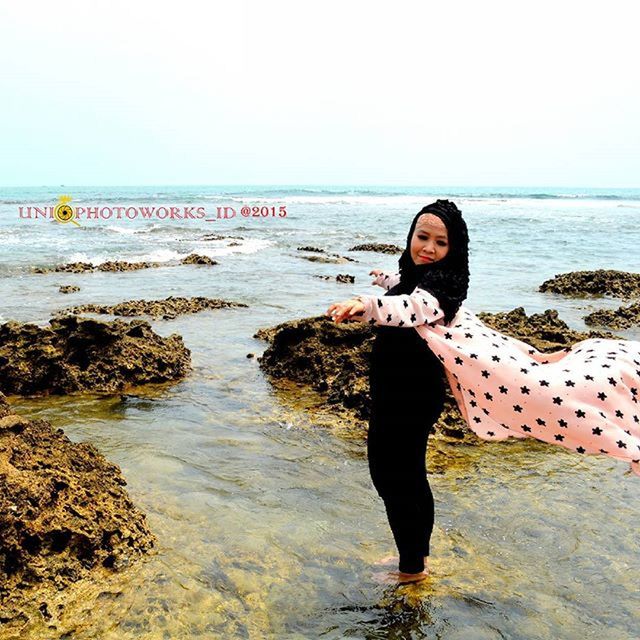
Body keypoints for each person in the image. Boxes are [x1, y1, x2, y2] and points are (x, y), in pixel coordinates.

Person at [326, 199, 640, 582]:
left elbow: (411, 307)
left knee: (396, 477)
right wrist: (384, 281)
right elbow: (404, 289)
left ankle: (411, 570)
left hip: (411, 395)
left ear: (454, 249)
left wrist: (367, 304)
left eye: (440, 243)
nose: (428, 248)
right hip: (394, 391)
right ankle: (415, 556)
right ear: (410, 235)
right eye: (421, 237)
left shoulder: (443, 286)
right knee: (397, 475)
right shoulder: (418, 275)